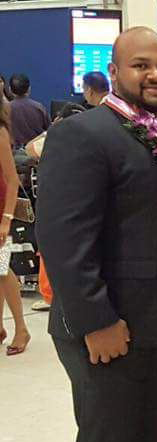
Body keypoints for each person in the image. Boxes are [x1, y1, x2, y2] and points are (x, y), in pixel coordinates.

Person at [36, 27, 157, 442]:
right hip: (114, 328)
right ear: (114, 72)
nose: (156, 74)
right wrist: (96, 321)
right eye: (141, 65)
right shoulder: (84, 133)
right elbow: (63, 237)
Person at [0, 99, 30, 356]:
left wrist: (7, 217)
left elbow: (11, 179)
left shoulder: (0, 131)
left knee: (1, 268)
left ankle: (21, 328)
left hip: (0, 209)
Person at [8, 73, 50, 147]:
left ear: (10, 90)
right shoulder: (39, 107)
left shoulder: (4, 109)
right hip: (36, 150)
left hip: (12, 151)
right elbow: (48, 130)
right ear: (29, 89)